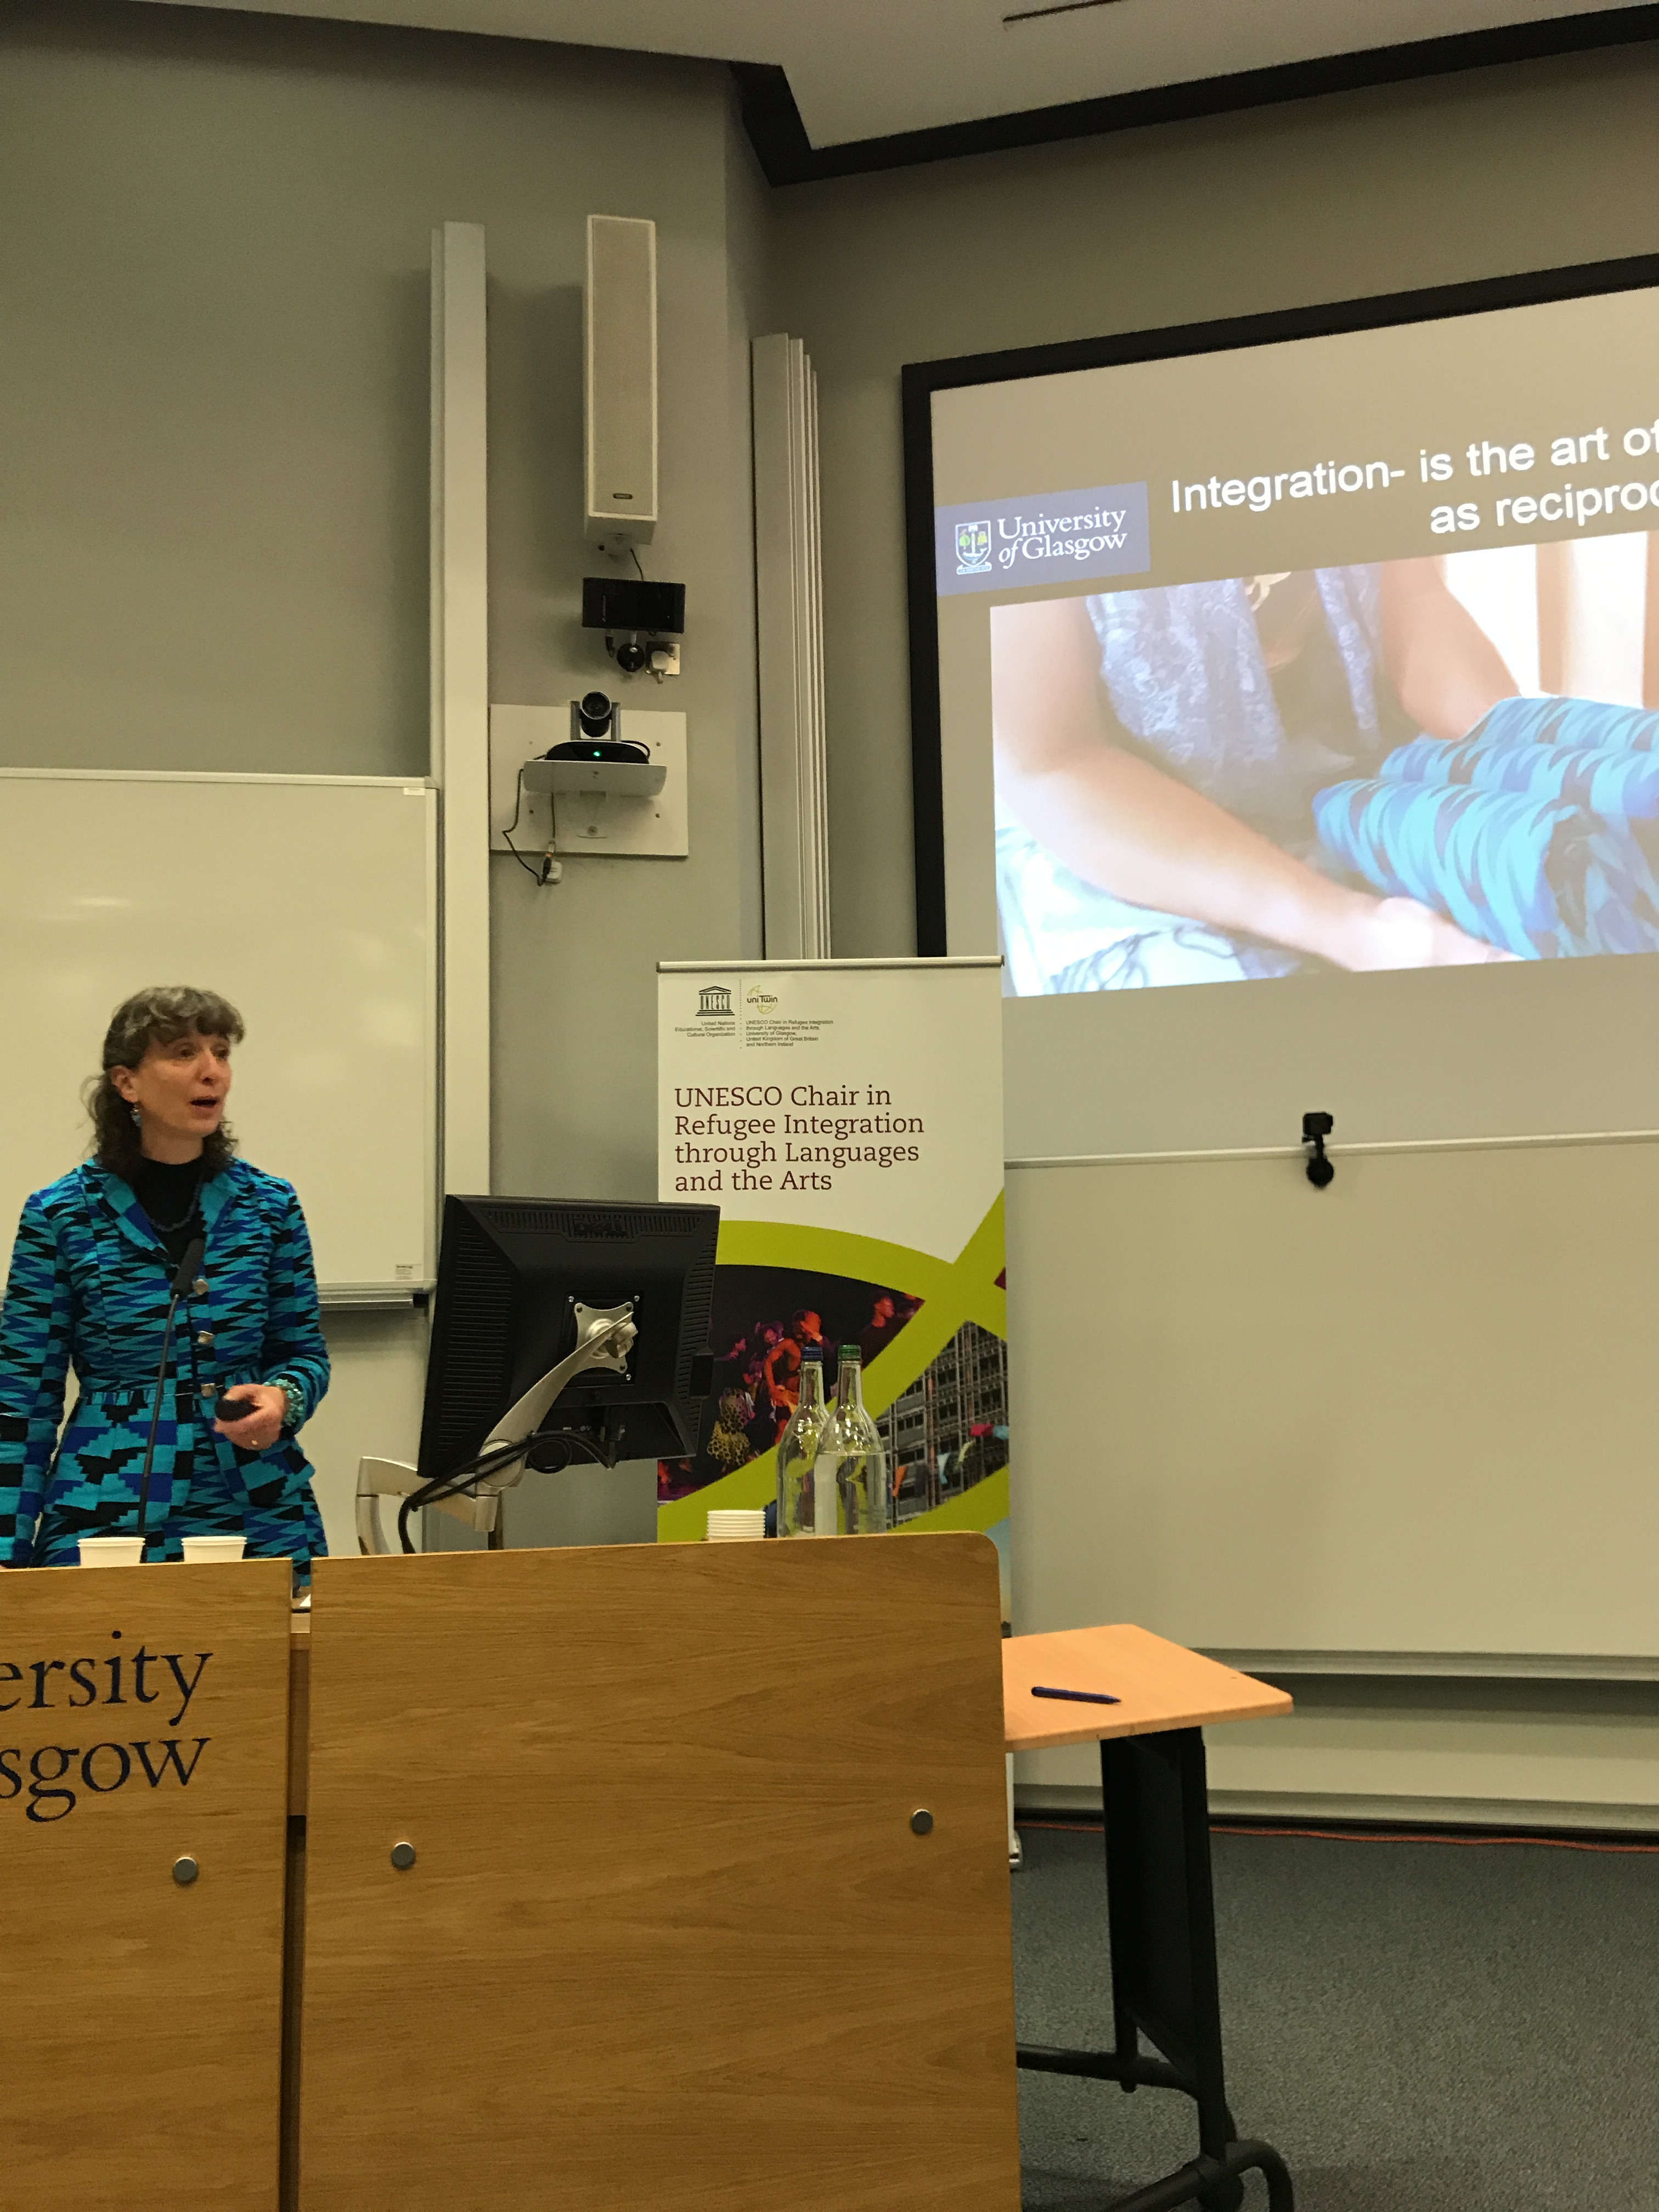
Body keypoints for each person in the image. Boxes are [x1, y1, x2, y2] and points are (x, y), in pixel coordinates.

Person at [992, 560, 1525, 991]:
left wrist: (1533, 754)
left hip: (1359, 773)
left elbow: (1413, 597)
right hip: (1119, 827)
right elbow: (1055, 761)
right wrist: (1351, 927)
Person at [0, 985, 330, 1572]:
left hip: (256, 1508)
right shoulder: (61, 1214)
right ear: (127, 1083)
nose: (212, 1072)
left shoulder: (270, 1206)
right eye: (183, 1053)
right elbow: (22, 1400)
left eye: (221, 1052)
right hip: (105, 1514)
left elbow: (302, 1353)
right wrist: (6, 1548)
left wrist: (283, 1398)